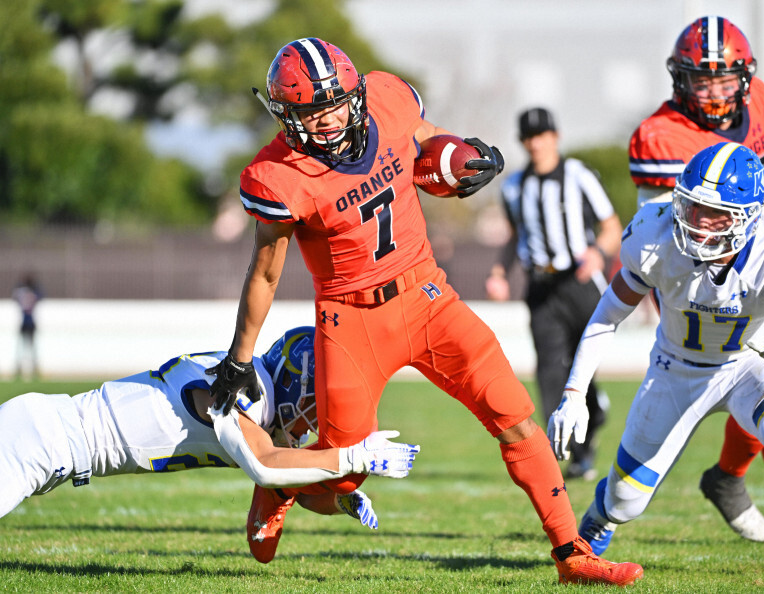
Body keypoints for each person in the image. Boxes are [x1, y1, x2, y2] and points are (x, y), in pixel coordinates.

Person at [207, 37, 643, 585]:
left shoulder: (388, 100)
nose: (326, 121)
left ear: (357, 94)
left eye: (335, 104)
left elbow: (426, 139)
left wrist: (463, 158)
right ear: (286, 115)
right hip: (351, 319)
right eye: (310, 112)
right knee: (345, 476)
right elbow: (266, 271)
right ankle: (278, 483)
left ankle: (571, 554)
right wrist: (239, 357)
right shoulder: (277, 174)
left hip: (427, 296)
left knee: (514, 417)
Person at [547, 142, 764, 577]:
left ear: (750, 216)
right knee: (626, 502)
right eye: (693, 207)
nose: (697, 224)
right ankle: (598, 521)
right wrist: (573, 394)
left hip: (747, 364)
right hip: (674, 368)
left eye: (714, 214)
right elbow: (607, 315)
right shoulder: (655, 233)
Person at [0, 326, 421, 560]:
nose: (314, 419)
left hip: (46, 437)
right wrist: (353, 457)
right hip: (40, 443)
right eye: (315, 404)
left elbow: (287, 487)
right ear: (297, 384)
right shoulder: (248, 395)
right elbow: (265, 465)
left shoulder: (256, 391)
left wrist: (340, 499)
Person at [628, 15, 764, 543]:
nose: (716, 94)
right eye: (703, 80)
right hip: (689, 270)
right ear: (681, 81)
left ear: (745, 79)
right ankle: (731, 478)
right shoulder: (659, 136)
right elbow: (675, 226)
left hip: (749, 254)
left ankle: (727, 477)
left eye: (725, 81)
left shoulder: (760, 101)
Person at [486, 107, 622, 481]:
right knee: (549, 370)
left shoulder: (578, 176)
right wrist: (500, 272)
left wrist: (598, 254)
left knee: (583, 367)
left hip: (578, 282)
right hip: (540, 285)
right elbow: (515, 237)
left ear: (555, 137)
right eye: (529, 137)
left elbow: (611, 226)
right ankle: (572, 455)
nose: (536, 143)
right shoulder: (514, 186)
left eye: (542, 135)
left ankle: (594, 412)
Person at [12, 274, 43, 380]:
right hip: (30, 322)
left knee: (23, 348)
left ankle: (20, 369)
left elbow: (15, 296)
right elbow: (41, 296)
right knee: (29, 348)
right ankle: (32, 369)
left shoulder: (21, 292)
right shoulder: (34, 292)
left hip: (25, 322)